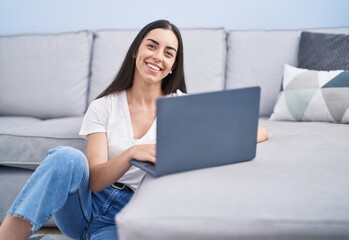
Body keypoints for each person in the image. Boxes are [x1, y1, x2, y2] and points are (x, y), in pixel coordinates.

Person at [0, 19, 268, 240]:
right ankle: (10, 235)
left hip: (127, 216)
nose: (157, 56)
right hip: (85, 206)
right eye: (151, 46)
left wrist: (214, 137)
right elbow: (94, 180)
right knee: (66, 157)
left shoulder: (183, 108)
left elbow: (258, 132)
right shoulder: (104, 106)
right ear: (135, 51)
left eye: (168, 52)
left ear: (173, 65)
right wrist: (132, 153)